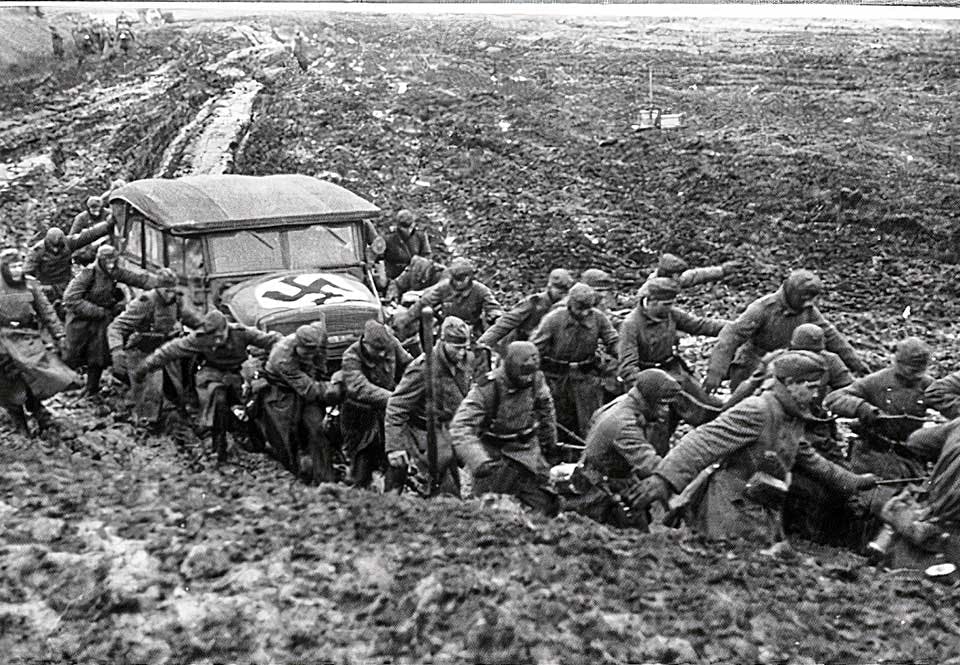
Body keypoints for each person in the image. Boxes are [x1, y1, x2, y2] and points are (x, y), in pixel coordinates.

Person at [627, 352, 878, 545]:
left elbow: (807, 457)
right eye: (810, 388)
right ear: (790, 383)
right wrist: (664, 479)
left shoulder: (790, 416)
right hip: (730, 508)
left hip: (762, 508)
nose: (815, 396)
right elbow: (703, 440)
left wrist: (850, 481)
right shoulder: (758, 410)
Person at [135, 311, 280, 462]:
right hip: (212, 373)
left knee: (258, 396)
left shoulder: (241, 333)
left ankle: (261, 436)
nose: (216, 341)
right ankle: (216, 440)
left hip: (239, 372)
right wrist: (146, 365)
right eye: (212, 338)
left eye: (219, 336)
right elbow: (170, 351)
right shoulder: (199, 339)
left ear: (226, 329)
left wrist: (282, 354)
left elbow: (273, 340)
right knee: (217, 397)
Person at [704, 269, 867, 393]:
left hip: (786, 364)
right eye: (804, 297)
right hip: (753, 364)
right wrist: (716, 371)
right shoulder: (762, 309)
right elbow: (730, 336)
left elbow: (831, 337)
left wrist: (857, 365)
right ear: (791, 292)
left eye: (811, 298)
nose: (808, 302)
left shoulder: (808, 310)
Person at [450, 341, 560, 516]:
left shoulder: (536, 380)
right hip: (496, 458)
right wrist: (479, 461)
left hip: (528, 454)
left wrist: (549, 444)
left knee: (548, 504)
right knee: (488, 514)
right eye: (523, 373)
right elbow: (460, 426)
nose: (528, 378)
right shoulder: (487, 389)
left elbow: (546, 410)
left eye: (531, 373)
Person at [617, 277, 727, 450]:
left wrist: (737, 327)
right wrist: (642, 397)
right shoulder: (631, 325)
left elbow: (700, 325)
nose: (669, 308)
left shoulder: (671, 314)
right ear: (651, 301)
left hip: (673, 371)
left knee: (707, 407)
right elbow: (628, 367)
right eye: (665, 304)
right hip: (651, 382)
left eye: (671, 303)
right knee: (657, 428)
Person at [566, 369, 681, 529]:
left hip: (600, 474)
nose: (666, 411)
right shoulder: (625, 425)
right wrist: (684, 474)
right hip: (601, 489)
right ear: (649, 399)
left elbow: (593, 419)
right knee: (634, 537)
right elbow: (651, 465)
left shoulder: (624, 401)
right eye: (662, 404)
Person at [385, 316, 477, 495]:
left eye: (465, 348)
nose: (462, 353)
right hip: (423, 437)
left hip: (447, 434)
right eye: (457, 348)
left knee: (450, 492)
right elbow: (396, 406)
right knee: (440, 494)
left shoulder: (462, 361)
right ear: (443, 342)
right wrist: (394, 448)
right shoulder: (423, 368)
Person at [824, 337, 933, 480]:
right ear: (898, 363)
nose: (914, 376)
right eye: (911, 370)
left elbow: (949, 403)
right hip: (872, 454)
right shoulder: (877, 381)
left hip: (910, 456)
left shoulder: (927, 385)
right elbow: (834, 398)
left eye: (918, 371)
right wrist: (861, 407)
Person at [106, 268, 204, 426]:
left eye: (173, 290)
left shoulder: (176, 301)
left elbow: (192, 319)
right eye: (167, 290)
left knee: (177, 389)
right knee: (150, 395)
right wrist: (117, 352)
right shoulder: (145, 303)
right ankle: (144, 423)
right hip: (143, 351)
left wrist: (210, 327)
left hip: (166, 349)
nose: (171, 294)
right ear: (158, 288)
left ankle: (180, 411)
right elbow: (115, 327)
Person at [0, 248, 78, 435]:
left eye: (20, 265)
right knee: (9, 380)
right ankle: (19, 421)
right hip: (3, 337)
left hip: (27, 335)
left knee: (37, 372)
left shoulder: (30, 285)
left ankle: (38, 411)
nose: (18, 270)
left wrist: (59, 335)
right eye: (13, 266)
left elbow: (46, 311)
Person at [62, 244, 155, 399]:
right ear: (100, 260)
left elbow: (135, 279)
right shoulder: (88, 274)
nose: (111, 265)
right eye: (107, 261)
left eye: (113, 261)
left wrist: (161, 282)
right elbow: (70, 299)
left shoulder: (113, 272)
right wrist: (97, 311)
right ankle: (67, 386)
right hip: (82, 321)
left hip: (101, 321)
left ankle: (92, 388)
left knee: (98, 355)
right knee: (73, 355)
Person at [530, 282, 618, 441]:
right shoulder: (554, 319)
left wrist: (622, 356)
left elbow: (613, 340)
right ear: (570, 304)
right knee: (558, 421)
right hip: (557, 378)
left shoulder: (598, 318)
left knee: (590, 421)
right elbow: (535, 348)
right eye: (580, 309)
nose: (584, 313)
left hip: (585, 377)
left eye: (587, 309)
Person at [258, 323, 339, 479]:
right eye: (306, 353)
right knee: (286, 434)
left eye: (312, 352)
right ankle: (294, 474)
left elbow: (320, 365)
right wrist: (336, 389)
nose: (309, 356)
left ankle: (325, 477)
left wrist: (322, 375)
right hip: (281, 391)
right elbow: (309, 390)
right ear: (297, 345)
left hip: (308, 384)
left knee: (317, 428)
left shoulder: (319, 339)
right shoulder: (282, 358)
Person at [341, 319, 412, 487]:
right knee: (363, 459)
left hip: (388, 411)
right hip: (361, 416)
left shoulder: (391, 343)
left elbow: (409, 366)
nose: (382, 354)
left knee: (395, 455)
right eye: (377, 349)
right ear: (365, 343)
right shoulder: (351, 356)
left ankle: (393, 496)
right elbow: (358, 387)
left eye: (384, 350)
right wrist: (395, 399)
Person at [24, 222, 114, 313]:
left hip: (66, 284)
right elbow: (26, 274)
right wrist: (38, 288)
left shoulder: (69, 242)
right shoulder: (36, 252)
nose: (56, 250)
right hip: (47, 287)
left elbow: (88, 235)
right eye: (53, 247)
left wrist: (107, 225)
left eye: (58, 247)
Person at [477, 268, 573, 351]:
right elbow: (506, 322)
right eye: (559, 290)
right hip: (518, 345)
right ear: (549, 287)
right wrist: (482, 343)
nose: (563, 294)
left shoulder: (568, 306)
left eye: (566, 291)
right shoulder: (534, 302)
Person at [405, 258, 503, 337]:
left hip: (471, 333)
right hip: (446, 333)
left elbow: (493, 308)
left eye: (461, 279)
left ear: (469, 276)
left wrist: (496, 318)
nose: (458, 283)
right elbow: (424, 302)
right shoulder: (444, 288)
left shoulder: (480, 290)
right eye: (455, 279)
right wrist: (405, 319)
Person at [642, 253, 739, 293]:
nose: (679, 277)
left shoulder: (673, 280)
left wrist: (721, 270)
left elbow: (696, 275)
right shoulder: (649, 289)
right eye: (677, 275)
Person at [383, 209, 431, 280]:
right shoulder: (389, 237)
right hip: (394, 275)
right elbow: (378, 256)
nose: (408, 230)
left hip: (415, 274)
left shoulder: (420, 235)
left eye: (410, 227)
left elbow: (426, 255)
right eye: (404, 228)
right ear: (398, 226)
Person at [69, 196, 113, 265]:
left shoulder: (108, 214)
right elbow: (72, 237)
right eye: (92, 208)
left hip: (105, 243)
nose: (94, 211)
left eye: (97, 208)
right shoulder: (81, 218)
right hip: (87, 245)